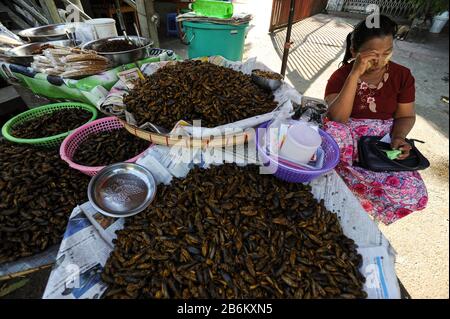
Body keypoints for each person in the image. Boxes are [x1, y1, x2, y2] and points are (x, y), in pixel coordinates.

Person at [323, 15, 428, 225]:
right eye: (373, 55)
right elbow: (338, 118)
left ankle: (364, 191)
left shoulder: (402, 76)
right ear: (354, 52)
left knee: (413, 191)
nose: (380, 62)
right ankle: (352, 190)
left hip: (381, 141)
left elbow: (406, 115)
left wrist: (398, 138)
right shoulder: (341, 76)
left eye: (387, 53)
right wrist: (354, 75)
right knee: (332, 132)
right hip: (348, 139)